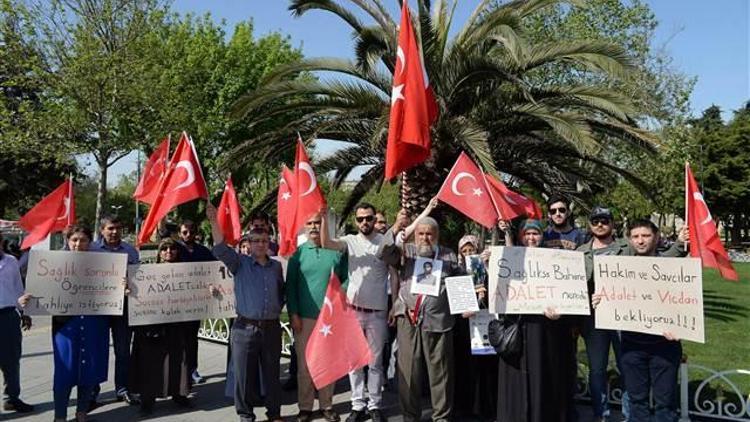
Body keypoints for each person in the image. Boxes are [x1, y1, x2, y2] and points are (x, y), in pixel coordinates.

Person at [593, 219, 688, 422]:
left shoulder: (671, 268)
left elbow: (685, 302)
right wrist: (600, 299)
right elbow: (612, 297)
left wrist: (681, 325)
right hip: (632, 346)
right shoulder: (619, 269)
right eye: (636, 236)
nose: (641, 241)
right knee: (637, 402)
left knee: (665, 403)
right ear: (629, 240)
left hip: (665, 345)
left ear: (656, 237)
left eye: (645, 236)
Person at [379, 198, 464, 422]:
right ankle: (410, 417)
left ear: (436, 236)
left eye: (430, 234)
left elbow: (460, 282)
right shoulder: (405, 252)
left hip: (438, 322)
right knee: (408, 372)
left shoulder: (448, 255)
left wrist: (465, 306)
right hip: (408, 320)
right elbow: (384, 253)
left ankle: (442, 417)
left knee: (441, 374)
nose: (425, 238)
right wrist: (397, 228)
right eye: (421, 233)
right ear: (414, 235)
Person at [207, 204, 285, 422]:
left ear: (269, 243)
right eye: (256, 241)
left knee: (272, 374)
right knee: (243, 376)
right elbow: (221, 248)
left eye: (264, 241)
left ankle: (275, 413)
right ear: (248, 244)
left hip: (271, 328)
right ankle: (245, 414)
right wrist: (214, 222)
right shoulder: (239, 263)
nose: (261, 245)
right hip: (244, 329)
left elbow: (281, 291)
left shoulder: (276, 267)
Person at [496, 219, 578, 422]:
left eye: (535, 234)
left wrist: (561, 312)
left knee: (545, 375)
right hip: (518, 328)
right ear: (521, 236)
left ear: (542, 236)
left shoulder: (554, 260)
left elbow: (566, 293)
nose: (531, 238)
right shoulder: (510, 259)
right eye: (527, 234)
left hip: (546, 330)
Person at [319, 203, 389, 422]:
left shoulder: (385, 242)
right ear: (356, 221)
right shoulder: (350, 241)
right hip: (354, 312)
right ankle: (358, 405)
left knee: (375, 363)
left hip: (377, 312)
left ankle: (374, 405)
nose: (364, 222)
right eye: (360, 219)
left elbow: (396, 269)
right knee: (354, 362)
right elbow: (326, 243)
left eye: (368, 218)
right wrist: (323, 219)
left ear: (374, 219)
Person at [43, 226, 111, 422]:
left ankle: (82, 412)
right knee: (64, 370)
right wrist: (28, 300)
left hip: (93, 322)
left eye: (82, 240)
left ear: (90, 242)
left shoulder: (102, 264)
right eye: (74, 240)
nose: (78, 244)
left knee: (89, 368)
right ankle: (60, 416)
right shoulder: (54, 264)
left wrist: (119, 286)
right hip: (66, 325)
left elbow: (110, 289)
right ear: (68, 241)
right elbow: (42, 290)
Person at [286, 213, 349, 422]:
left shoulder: (336, 252)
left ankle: (327, 405)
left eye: (317, 222)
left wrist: (341, 297)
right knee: (305, 365)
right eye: (310, 223)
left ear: (324, 225)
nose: (314, 226)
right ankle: (305, 407)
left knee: (327, 363)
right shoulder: (298, 255)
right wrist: (293, 314)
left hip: (329, 320)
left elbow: (346, 279)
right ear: (304, 227)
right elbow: (291, 287)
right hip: (304, 318)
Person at [129, 238, 192, 415]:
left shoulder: (187, 273)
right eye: (164, 249)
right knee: (150, 363)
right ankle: (147, 399)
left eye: (172, 248)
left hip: (176, 324)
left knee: (178, 360)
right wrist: (129, 290)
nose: (169, 252)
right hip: (151, 325)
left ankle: (179, 394)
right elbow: (136, 290)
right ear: (159, 252)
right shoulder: (146, 272)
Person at [453, 234, 497, 421]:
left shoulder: (487, 269)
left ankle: (488, 407)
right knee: (466, 367)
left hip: (485, 322)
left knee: (486, 367)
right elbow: (454, 300)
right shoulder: (457, 271)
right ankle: (467, 407)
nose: (469, 253)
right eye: (465, 251)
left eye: (472, 250)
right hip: (464, 326)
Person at [177, 219, 215, 385]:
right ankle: (178, 371)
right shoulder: (175, 249)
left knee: (192, 338)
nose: (188, 235)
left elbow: (215, 270)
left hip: (195, 303)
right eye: (184, 232)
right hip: (174, 303)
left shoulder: (203, 251)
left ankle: (192, 369)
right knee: (177, 339)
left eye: (191, 232)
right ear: (180, 233)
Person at [0, 233, 34, 414]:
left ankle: (12, 398)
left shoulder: (11, 261)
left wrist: (24, 313)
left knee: (12, 361)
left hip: (7, 317)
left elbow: (18, 288)